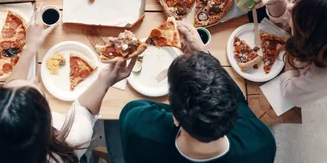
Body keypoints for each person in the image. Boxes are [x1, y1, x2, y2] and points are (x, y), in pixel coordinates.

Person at [0, 6, 135, 162]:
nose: (34, 79)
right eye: (38, 90)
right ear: (47, 120)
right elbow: (87, 111)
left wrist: (30, 47)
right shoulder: (72, 142)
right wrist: (104, 82)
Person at [118, 22, 276, 163]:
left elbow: (134, 108)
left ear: (174, 117)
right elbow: (240, 102)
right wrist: (203, 53)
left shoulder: (139, 127)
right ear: (232, 115)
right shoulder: (262, 143)